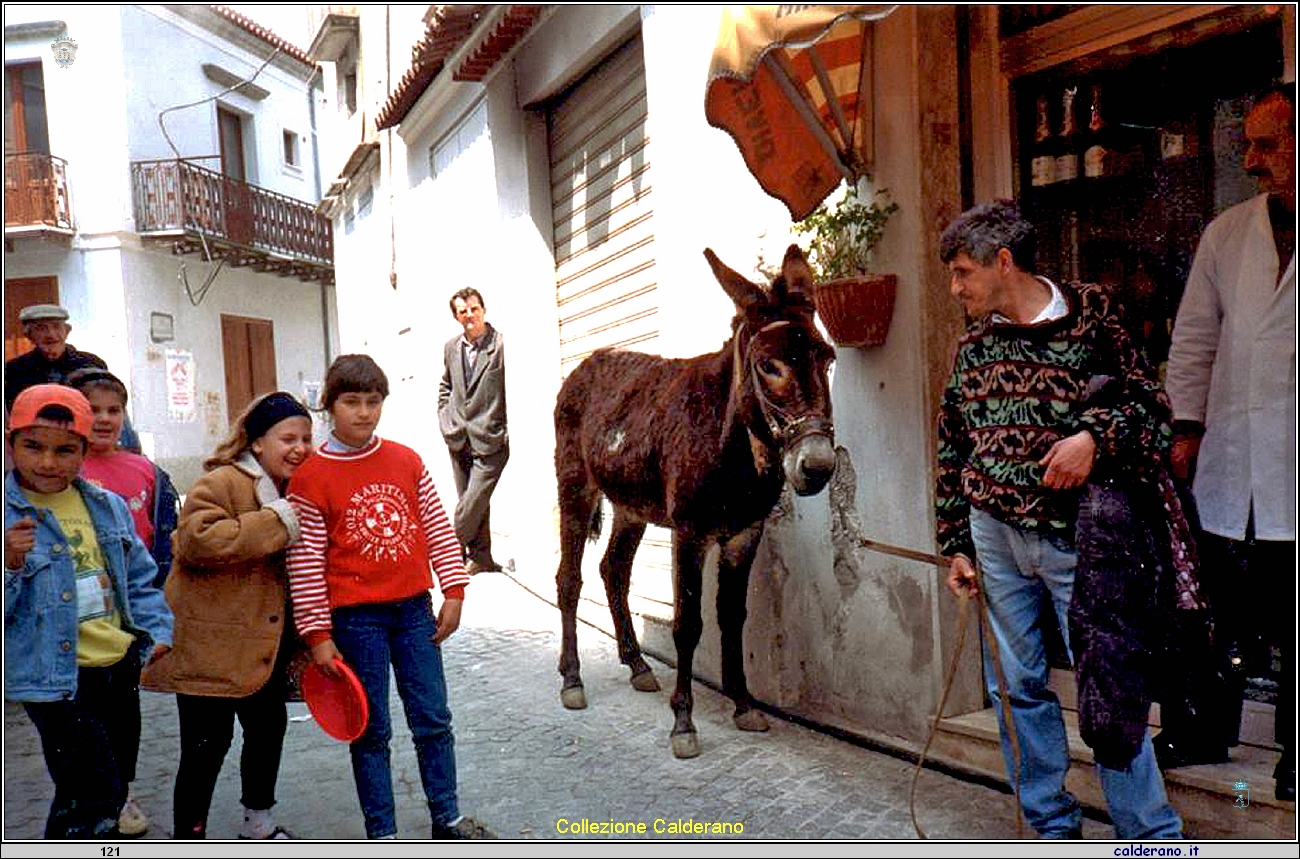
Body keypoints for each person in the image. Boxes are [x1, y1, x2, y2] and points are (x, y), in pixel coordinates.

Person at [934, 201, 1184, 839]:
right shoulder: (974, 343)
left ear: (1005, 262)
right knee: (1016, 687)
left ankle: (1152, 838)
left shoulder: (1093, 315)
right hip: (993, 538)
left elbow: (1153, 412)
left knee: (1109, 686)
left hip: (1084, 542)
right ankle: (1049, 826)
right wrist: (955, 544)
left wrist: (1093, 440)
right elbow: (952, 443)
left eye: (963, 272)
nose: (955, 288)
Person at [286, 354, 491, 840]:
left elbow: (439, 529)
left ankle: (448, 819)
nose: (363, 412)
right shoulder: (310, 478)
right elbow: (306, 565)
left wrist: (454, 591)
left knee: (433, 719)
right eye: (351, 402)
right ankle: (383, 834)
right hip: (356, 623)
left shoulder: (406, 460)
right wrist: (317, 635)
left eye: (372, 401)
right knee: (371, 731)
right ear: (328, 406)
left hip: (414, 613)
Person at [1163, 83, 1296, 800]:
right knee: (1213, 609)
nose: (1250, 160)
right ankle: (1203, 728)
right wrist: (1186, 427)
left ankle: (1295, 756)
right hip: (1229, 460)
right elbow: (1193, 341)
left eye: (1266, 144)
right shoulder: (1226, 234)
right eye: (1247, 144)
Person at [139, 392, 313, 840]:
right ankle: (189, 836)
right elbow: (197, 541)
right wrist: (276, 523)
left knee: (267, 732)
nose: (300, 447)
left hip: (261, 649)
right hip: (210, 650)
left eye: (307, 438)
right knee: (204, 748)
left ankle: (259, 824)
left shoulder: (295, 487)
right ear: (257, 442)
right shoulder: (223, 482)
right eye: (288, 438)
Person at [4, 384, 173, 839]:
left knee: (101, 793)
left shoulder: (106, 505)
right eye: (33, 447)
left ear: (84, 451)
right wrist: (9, 565)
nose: (47, 462)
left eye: (64, 450)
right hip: (54, 678)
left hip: (116, 667)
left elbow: (138, 578)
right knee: (97, 789)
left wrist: (155, 631)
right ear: (9, 441)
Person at [67, 367, 180, 836]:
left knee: (123, 713)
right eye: (93, 410)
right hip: (77, 617)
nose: (105, 419)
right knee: (81, 718)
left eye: (114, 410)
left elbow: (161, 539)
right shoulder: (63, 468)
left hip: (128, 611)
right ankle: (93, 800)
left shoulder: (144, 470)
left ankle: (121, 792)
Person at [438, 288, 509, 574]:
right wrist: (445, 418)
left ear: (483, 309)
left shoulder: (501, 345)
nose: (470, 315)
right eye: (463, 311)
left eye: (474, 309)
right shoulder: (451, 348)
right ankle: (481, 557)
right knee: (471, 501)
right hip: (457, 435)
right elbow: (446, 386)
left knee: (472, 501)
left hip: (491, 438)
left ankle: (445, 551)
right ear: (456, 316)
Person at [4, 304, 141, 452]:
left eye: (57, 327)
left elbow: (113, 405)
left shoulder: (91, 363)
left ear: (67, 331)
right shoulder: (14, 370)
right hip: (39, 449)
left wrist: (130, 451)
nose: (51, 335)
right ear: (29, 336)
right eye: (41, 328)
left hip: (89, 448)